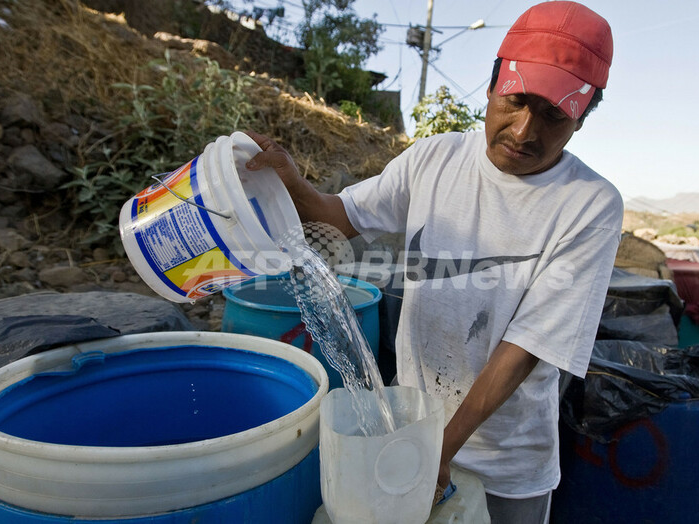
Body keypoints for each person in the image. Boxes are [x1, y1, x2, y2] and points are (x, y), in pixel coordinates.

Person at [244, 2, 622, 522]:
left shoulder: (589, 204)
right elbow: (339, 216)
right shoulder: (435, 159)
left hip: (506, 465)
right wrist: (289, 180)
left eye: (554, 114)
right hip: (411, 432)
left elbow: (529, 345)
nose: (524, 130)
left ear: (580, 120)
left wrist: (440, 449)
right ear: (491, 87)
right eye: (515, 100)